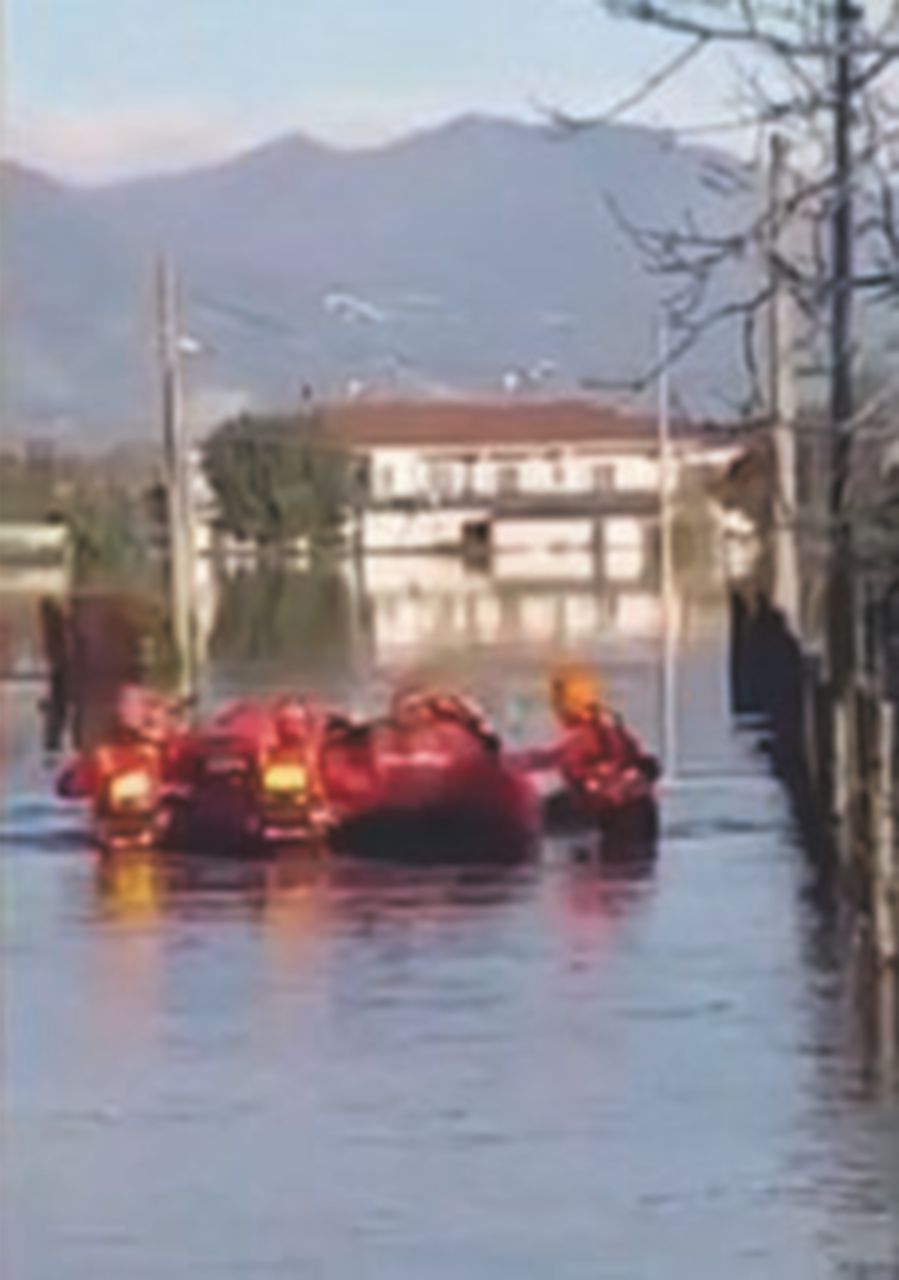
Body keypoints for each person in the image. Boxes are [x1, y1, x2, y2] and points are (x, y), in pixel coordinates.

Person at [516, 665, 659, 793]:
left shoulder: (584, 738)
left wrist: (501, 763)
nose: (555, 710)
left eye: (557, 702)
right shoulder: (613, 732)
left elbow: (543, 759)